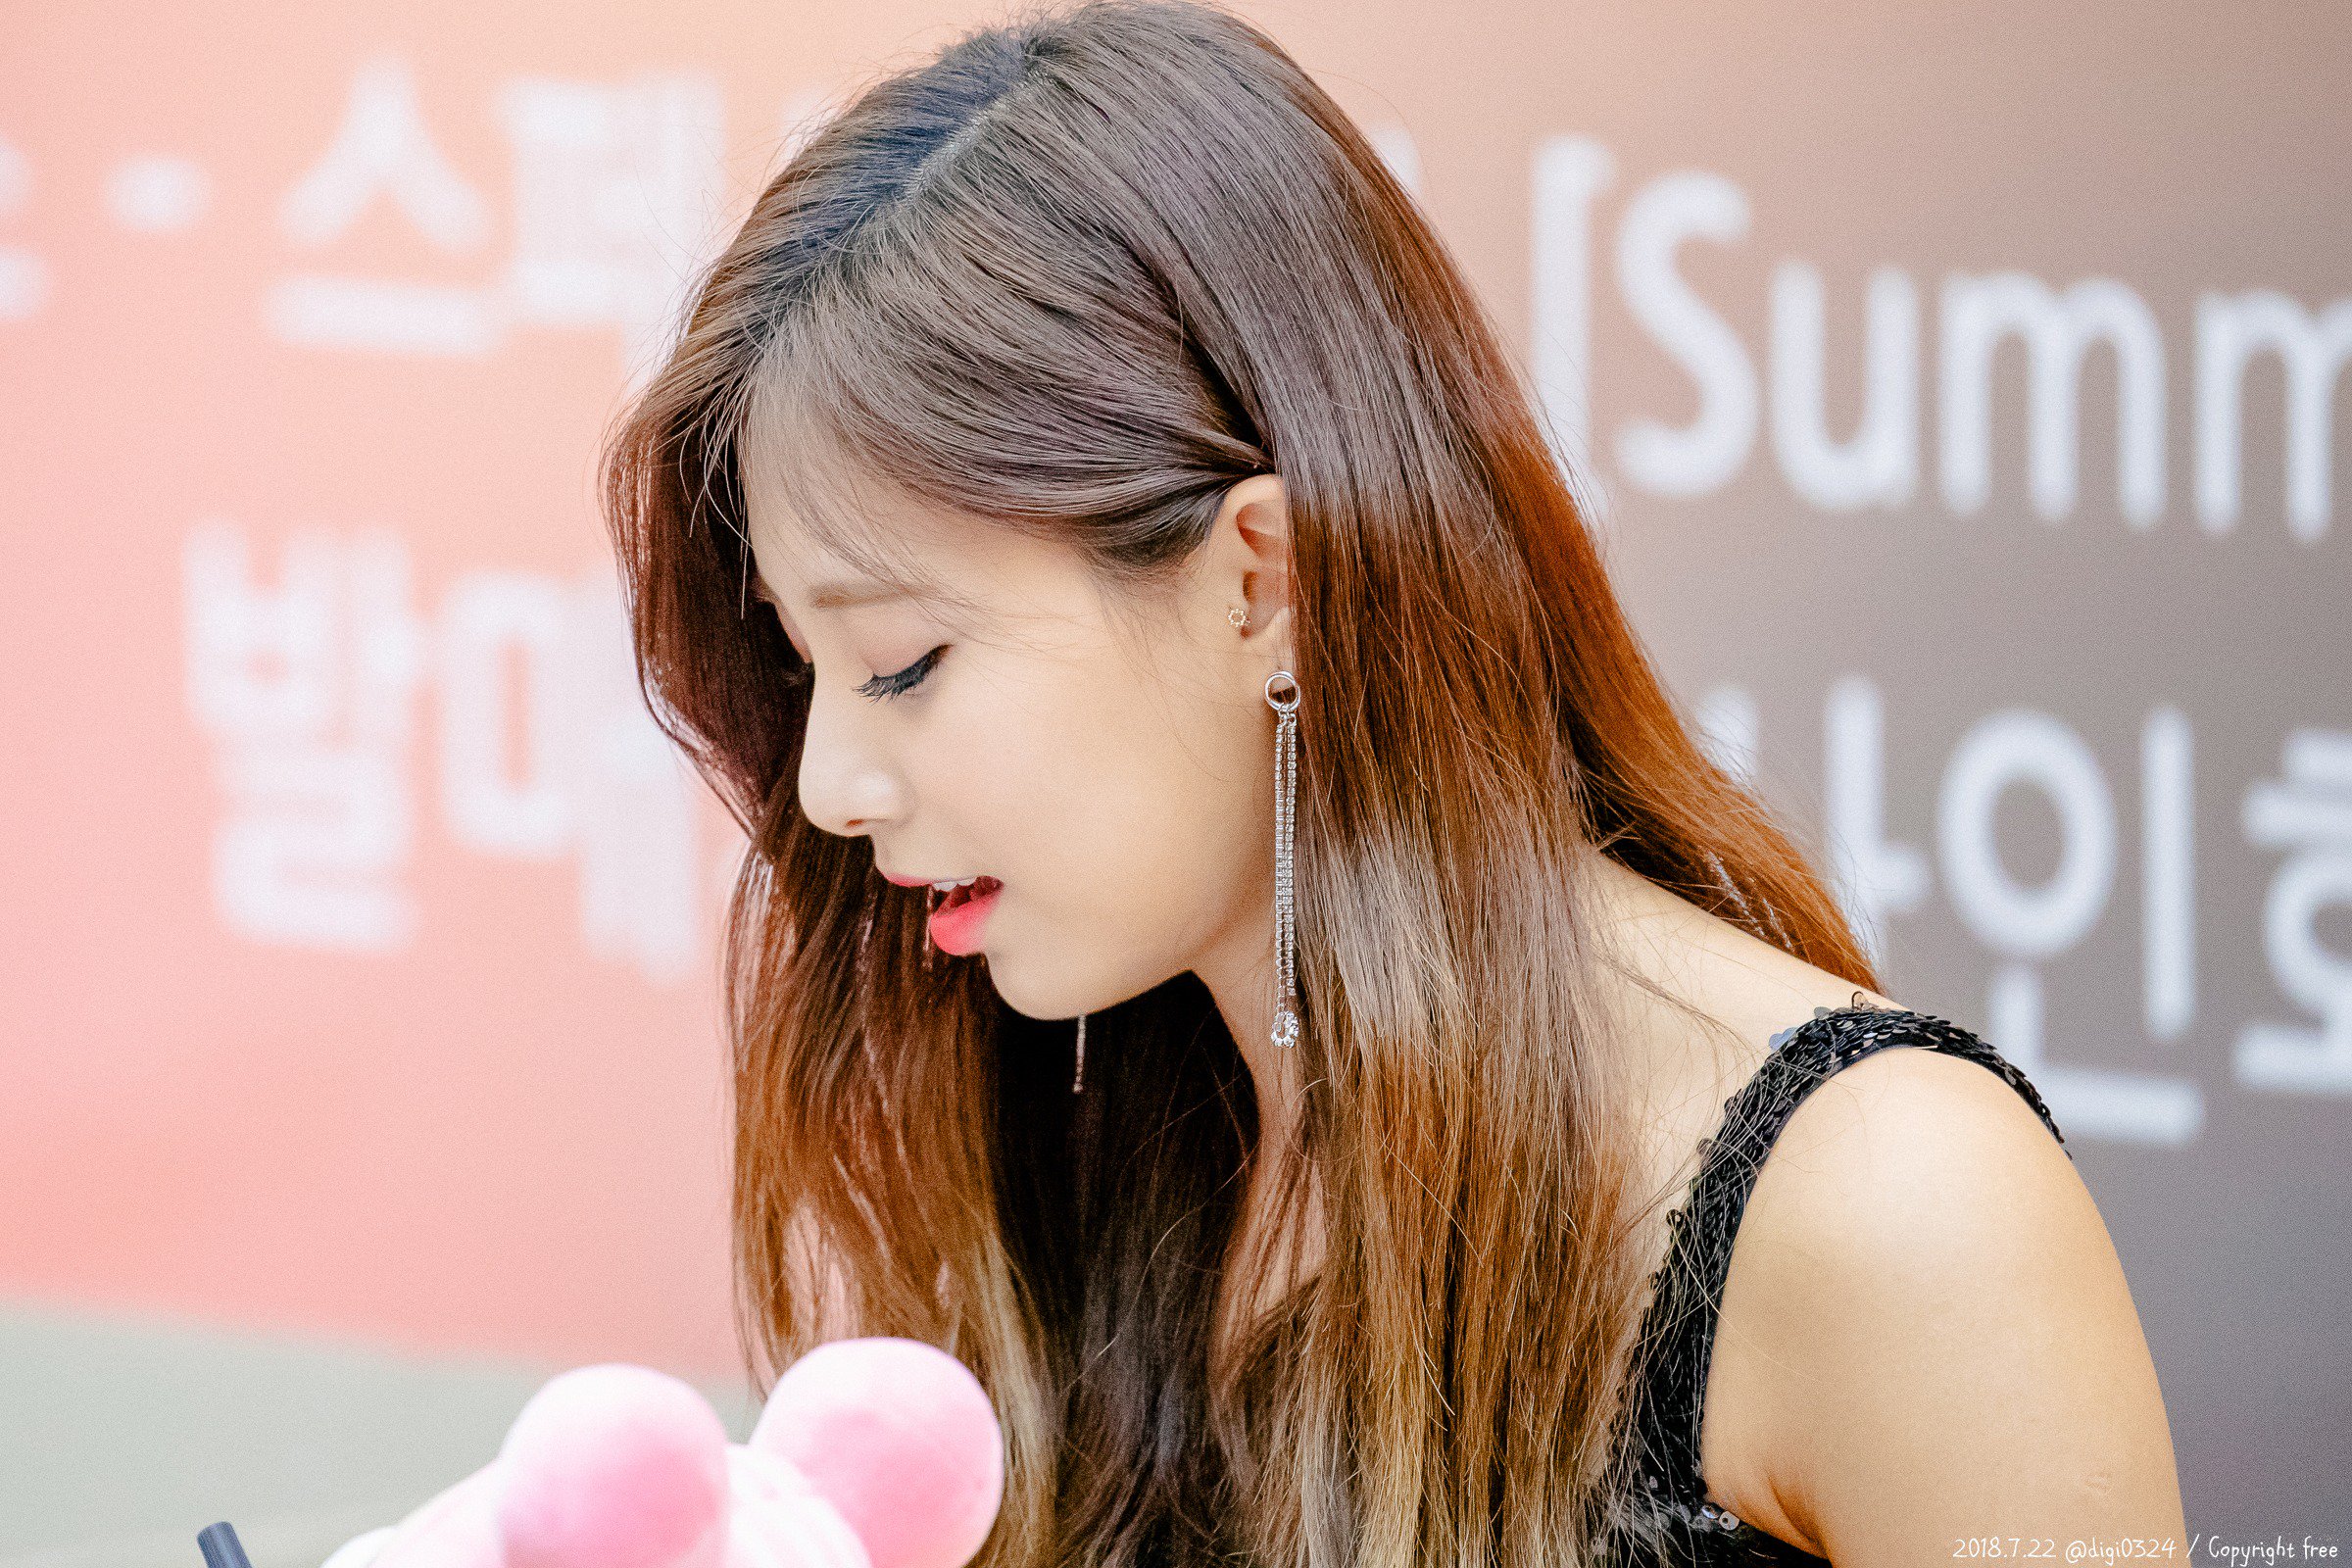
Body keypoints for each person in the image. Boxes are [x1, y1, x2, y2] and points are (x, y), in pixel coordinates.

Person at [597, 1, 2187, 1562]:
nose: (831, 785)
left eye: (902, 661)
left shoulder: (1889, 1212)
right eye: (804, 670)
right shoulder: (1095, 1162)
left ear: (1263, 582)